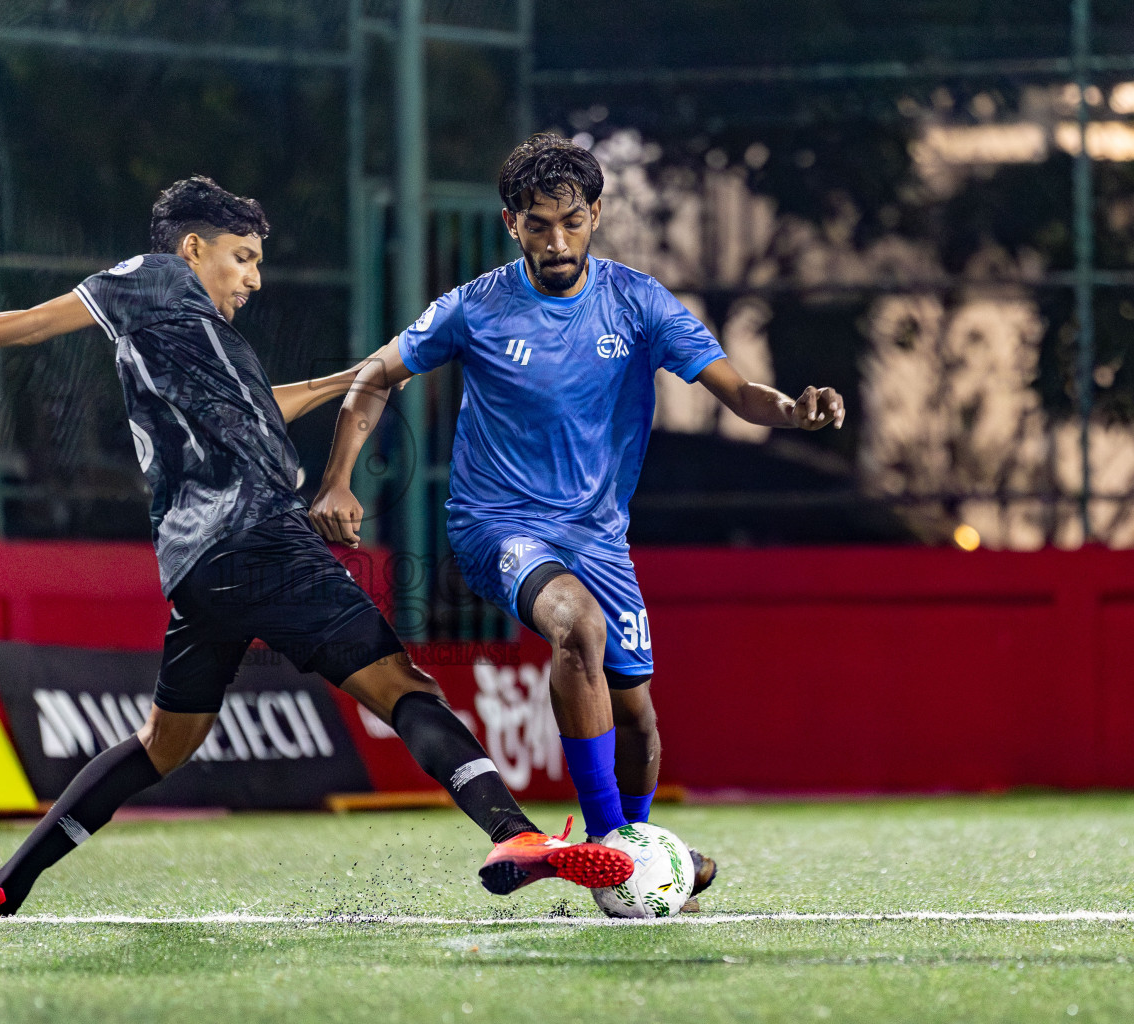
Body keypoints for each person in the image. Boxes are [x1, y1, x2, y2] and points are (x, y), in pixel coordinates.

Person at [0, 175, 633, 918]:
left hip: (202, 570)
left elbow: (266, 405)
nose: (254, 277)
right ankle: (514, 834)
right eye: (242, 257)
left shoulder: (198, 339)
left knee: (163, 742)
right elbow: (27, 325)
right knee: (401, 685)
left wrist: (371, 371)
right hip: (258, 538)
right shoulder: (153, 278)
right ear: (193, 248)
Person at [308, 135, 848, 908]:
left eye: (570, 221)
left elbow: (736, 390)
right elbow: (375, 374)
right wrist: (338, 481)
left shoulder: (639, 302)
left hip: (598, 536)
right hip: (496, 523)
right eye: (537, 224)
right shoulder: (475, 306)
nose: (555, 241)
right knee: (578, 628)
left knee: (640, 722)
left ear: (595, 214)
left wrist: (792, 411)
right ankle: (613, 851)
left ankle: (641, 850)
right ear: (510, 223)